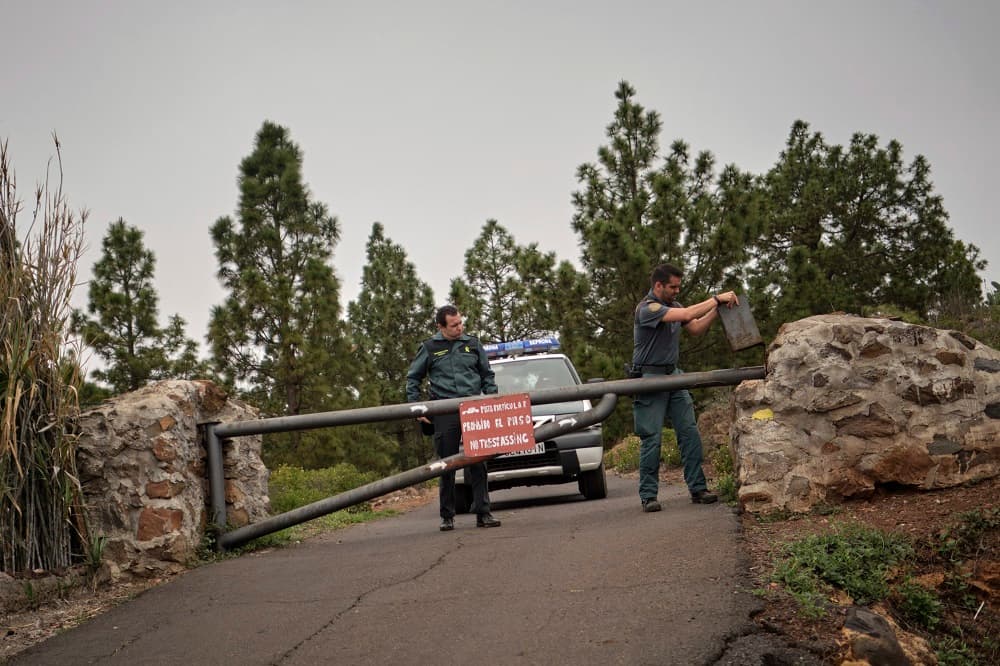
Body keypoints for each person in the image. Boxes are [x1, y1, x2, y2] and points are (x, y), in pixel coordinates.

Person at [631, 263, 739, 512]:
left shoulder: (676, 306)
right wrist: (715, 298)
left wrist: (718, 309)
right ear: (658, 285)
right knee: (652, 439)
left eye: (679, 286)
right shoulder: (647, 309)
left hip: (674, 376)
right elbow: (689, 314)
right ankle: (649, 496)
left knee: (689, 432)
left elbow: (696, 327)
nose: (677, 291)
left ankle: (698, 488)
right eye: (673, 287)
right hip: (650, 378)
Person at [406, 305, 502, 531]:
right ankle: (447, 516)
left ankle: (483, 513)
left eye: (460, 323)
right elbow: (413, 379)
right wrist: (418, 409)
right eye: (454, 325)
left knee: (479, 461)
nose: (459, 328)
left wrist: (492, 400)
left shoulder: (473, 344)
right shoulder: (429, 347)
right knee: (446, 464)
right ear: (440, 326)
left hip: (474, 409)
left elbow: (487, 375)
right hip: (445, 411)